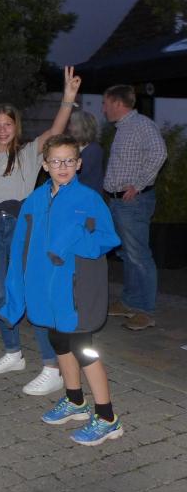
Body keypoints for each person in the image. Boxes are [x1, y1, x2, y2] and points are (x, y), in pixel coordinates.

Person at [0, 66, 81, 396]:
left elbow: (56, 129)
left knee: (34, 294)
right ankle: (13, 353)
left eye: (7, 124)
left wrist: (67, 98)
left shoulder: (29, 153)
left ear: (16, 127)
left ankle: (51, 367)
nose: (2, 130)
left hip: (25, 228)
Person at [0, 135, 123, 446]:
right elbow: (20, 247)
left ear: (79, 164)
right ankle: (75, 400)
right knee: (58, 338)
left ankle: (107, 417)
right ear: (45, 165)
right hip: (46, 288)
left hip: (77, 288)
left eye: (69, 160)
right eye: (56, 161)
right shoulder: (34, 200)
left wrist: (73, 239)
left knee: (83, 346)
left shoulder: (89, 199)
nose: (63, 166)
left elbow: (108, 239)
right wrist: (17, 289)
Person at [102, 85, 167, 331]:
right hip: (119, 202)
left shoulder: (141, 125)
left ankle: (145, 311)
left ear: (118, 103)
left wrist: (138, 185)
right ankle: (130, 301)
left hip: (132, 203)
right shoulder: (124, 127)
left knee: (138, 255)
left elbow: (159, 153)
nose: (103, 108)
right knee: (126, 253)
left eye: (106, 103)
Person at [67, 110, 103, 194]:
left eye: (72, 124)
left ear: (81, 128)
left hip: (88, 198)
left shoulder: (93, 149)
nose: (69, 127)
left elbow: (77, 173)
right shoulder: (77, 148)